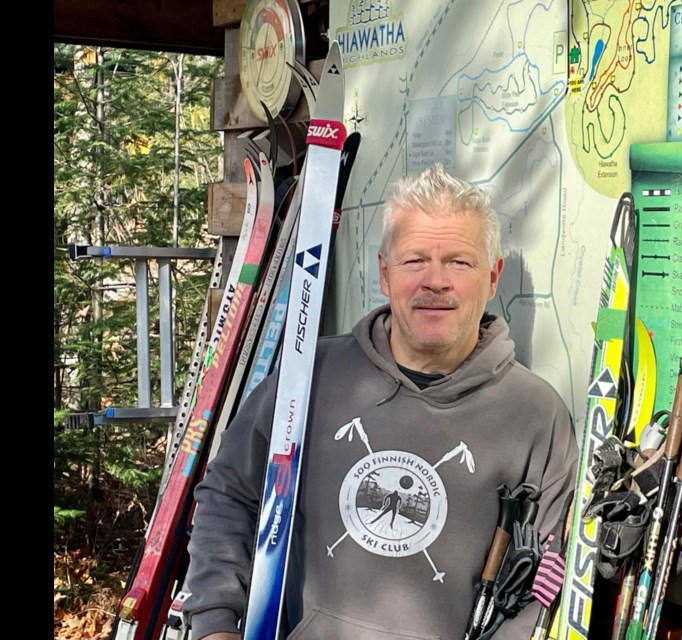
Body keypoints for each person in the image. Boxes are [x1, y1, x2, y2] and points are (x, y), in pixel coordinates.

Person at [183, 162, 579, 640]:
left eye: (459, 261)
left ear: (492, 277)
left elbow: (537, 590)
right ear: (385, 273)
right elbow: (230, 495)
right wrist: (215, 625)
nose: (436, 281)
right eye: (415, 260)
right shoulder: (309, 376)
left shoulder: (537, 416)